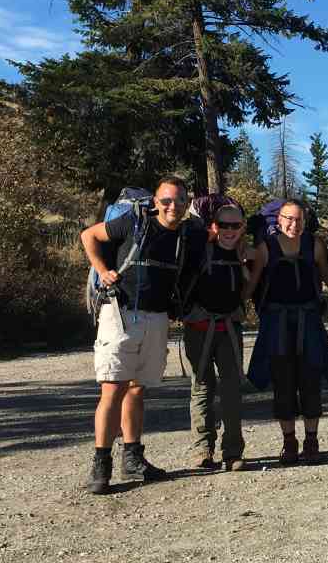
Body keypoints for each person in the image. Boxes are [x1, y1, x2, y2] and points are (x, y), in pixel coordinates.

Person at [80, 177, 202, 494]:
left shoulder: (186, 235)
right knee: (113, 389)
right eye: (165, 200)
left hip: (157, 316)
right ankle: (101, 465)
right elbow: (89, 236)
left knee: (137, 388)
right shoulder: (133, 222)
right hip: (119, 313)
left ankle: (132, 457)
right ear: (156, 202)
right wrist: (102, 269)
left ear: (187, 203)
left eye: (178, 201)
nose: (171, 206)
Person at [244, 200, 328, 465]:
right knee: (283, 382)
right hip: (276, 325)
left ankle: (311, 441)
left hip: (309, 321)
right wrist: (231, 308)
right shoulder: (267, 248)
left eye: (299, 219)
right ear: (279, 220)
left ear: (305, 220)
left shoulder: (315, 245)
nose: (294, 224)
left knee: (311, 380)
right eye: (288, 219)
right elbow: (252, 284)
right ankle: (290, 442)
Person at [182, 204, 248, 471]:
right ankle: (203, 450)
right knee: (201, 387)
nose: (230, 231)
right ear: (214, 226)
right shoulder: (200, 250)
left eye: (235, 225)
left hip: (230, 328)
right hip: (199, 327)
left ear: (242, 226)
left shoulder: (245, 253)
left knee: (232, 390)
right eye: (224, 225)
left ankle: (232, 452)